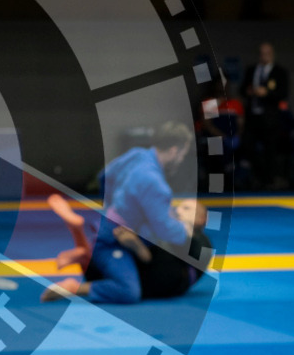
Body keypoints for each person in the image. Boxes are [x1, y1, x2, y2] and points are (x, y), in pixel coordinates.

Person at [41, 122, 194, 305]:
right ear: (174, 150)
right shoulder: (156, 185)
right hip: (111, 243)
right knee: (129, 291)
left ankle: (84, 249)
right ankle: (75, 287)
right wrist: (185, 230)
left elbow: (105, 176)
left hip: (107, 226)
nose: (181, 159)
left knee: (142, 241)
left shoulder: (137, 155)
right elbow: (165, 230)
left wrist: (115, 206)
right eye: (182, 154)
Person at [42, 194, 210, 303]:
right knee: (125, 287)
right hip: (127, 266)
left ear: (203, 218)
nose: (179, 210)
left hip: (143, 277)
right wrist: (135, 242)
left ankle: (82, 246)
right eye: (178, 207)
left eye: (187, 208)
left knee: (100, 272)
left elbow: (193, 257)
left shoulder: (201, 243)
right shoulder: (161, 234)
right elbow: (146, 255)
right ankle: (81, 245)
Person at [239, 41, 290, 189]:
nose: (264, 56)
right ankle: (260, 175)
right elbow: (242, 89)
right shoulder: (251, 70)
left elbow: (284, 94)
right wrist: (249, 92)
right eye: (262, 53)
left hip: (270, 117)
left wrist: (267, 93)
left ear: (273, 54)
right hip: (252, 115)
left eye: (267, 53)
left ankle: (268, 181)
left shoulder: (280, 72)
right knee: (247, 145)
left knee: (270, 149)